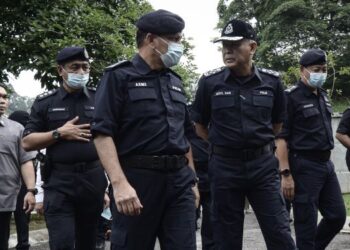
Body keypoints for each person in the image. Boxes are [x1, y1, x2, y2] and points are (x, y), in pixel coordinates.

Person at [92, 9, 199, 250]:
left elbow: (185, 135)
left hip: (179, 182)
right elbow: (102, 133)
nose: (179, 46)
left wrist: (192, 180)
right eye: (174, 39)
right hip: (137, 181)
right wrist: (119, 184)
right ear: (151, 39)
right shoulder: (118, 76)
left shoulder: (175, 81)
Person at [192, 19, 296, 250]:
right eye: (224, 45)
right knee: (226, 237)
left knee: (279, 232)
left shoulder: (272, 81)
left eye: (235, 44)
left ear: (252, 47)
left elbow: (277, 125)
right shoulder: (210, 82)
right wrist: (227, 146)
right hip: (224, 167)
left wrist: (255, 145)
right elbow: (199, 126)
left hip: (263, 166)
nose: (227, 50)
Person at [22, 47, 108, 250]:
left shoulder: (100, 99)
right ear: (61, 70)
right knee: (62, 243)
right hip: (60, 182)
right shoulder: (46, 102)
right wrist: (59, 133)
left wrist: (109, 185)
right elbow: (27, 142)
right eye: (74, 67)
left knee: (89, 243)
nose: (81, 72)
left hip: (93, 180)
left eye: (85, 67)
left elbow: (112, 140)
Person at [276, 48, 346, 250]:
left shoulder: (323, 95)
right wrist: (285, 173)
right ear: (302, 70)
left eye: (324, 69)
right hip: (303, 164)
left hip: (326, 164)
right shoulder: (291, 97)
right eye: (316, 69)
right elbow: (280, 138)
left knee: (336, 216)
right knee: (305, 222)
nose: (321, 74)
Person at [0, 85, 36, 250]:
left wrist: (30, 190)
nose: (2, 101)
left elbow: (26, 161)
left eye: (5, 97)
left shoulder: (16, 129)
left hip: (5, 199)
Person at [188, 108, 215, 250]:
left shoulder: (216, 112)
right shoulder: (189, 112)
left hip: (211, 175)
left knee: (212, 223)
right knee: (187, 225)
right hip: (191, 175)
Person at [8, 110, 34, 250]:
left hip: (19, 183)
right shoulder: (24, 136)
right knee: (23, 217)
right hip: (21, 183)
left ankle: (23, 244)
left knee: (21, 216)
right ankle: (23, 244)